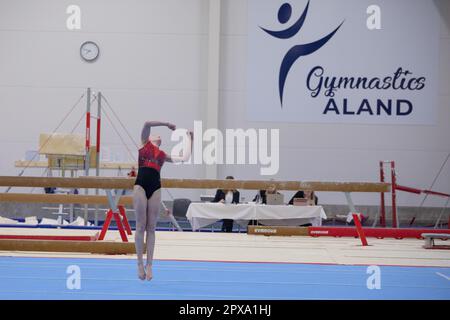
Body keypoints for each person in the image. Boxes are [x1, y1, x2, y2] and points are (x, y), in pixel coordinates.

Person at [133, 121, 193, 281]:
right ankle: (139, 263)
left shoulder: (162, 155)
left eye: (161, 136)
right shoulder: (144, 144)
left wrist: (190, 139)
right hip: (141, 186)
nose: (159, 136)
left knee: (151, 228)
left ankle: (150, 265)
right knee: (140, 226)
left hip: (156, 187)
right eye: (155, 135)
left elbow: (184, 158)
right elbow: (146, 123)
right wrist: (166, 124)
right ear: (149, 138)